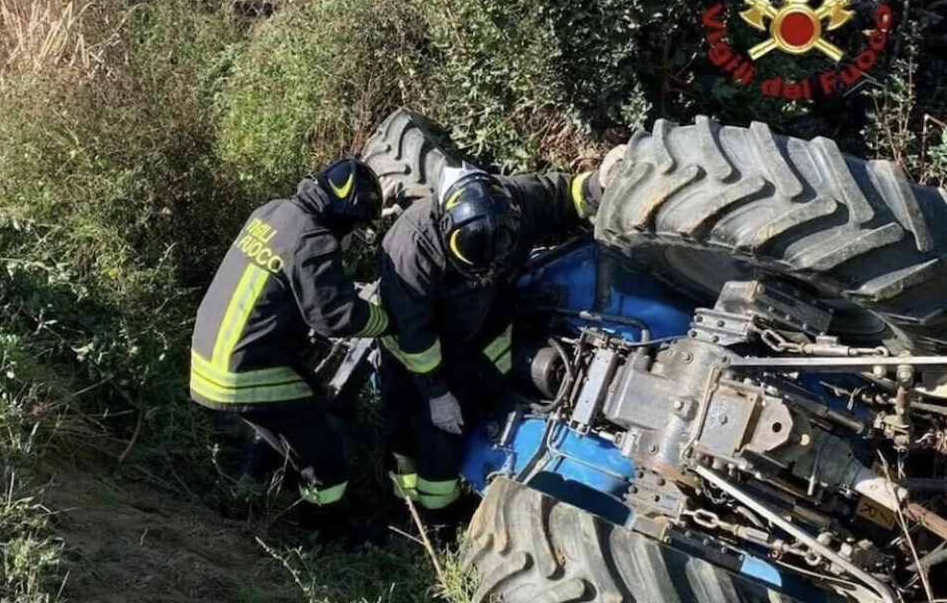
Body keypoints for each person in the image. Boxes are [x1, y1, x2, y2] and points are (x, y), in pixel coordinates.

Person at [377, 147, 626, 542]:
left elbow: (566, 194)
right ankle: (417, 520)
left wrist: (599, 183)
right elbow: (415, 337)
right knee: (408, 432)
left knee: (445, 436)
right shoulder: (411, 246)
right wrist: (438, 394)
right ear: (446, 227)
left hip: (474, 338)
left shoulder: (516, 200)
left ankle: (437, 521)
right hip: (414, 351)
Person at [189, 158, 390, 545]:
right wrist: (385, 320)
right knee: (325, 445)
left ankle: (252, 479)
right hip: (243, 374)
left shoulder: (272, 211)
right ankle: (324, 531)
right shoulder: (314, 239)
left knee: (290, 406)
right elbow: (334, 315)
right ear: (342, 213)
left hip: (207, 360)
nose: (352, 238)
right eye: (355, 226)